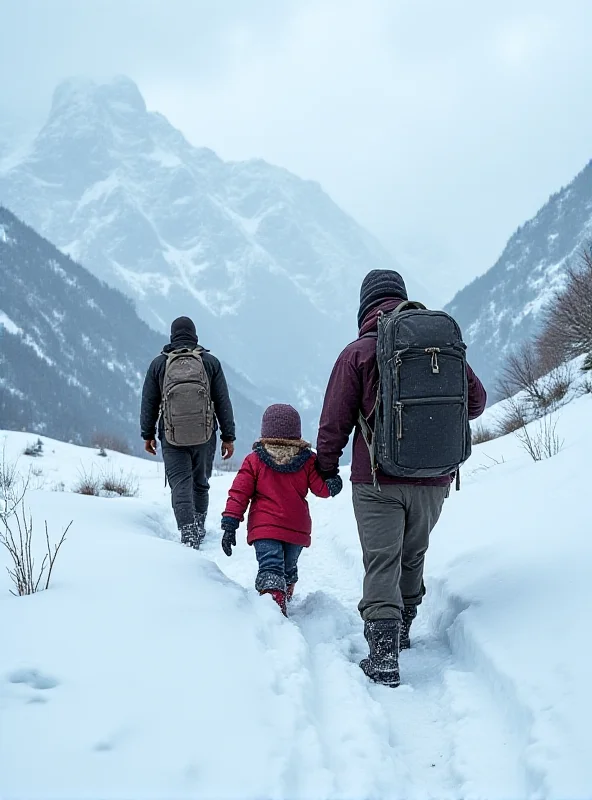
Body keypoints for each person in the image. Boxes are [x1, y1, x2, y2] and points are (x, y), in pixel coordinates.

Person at [316, 269, 486, 686]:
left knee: (382, 561)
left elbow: (334, 421)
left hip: (376, 479)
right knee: (412, 556)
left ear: (365, 306)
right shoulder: (441, 345)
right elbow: (477, 403)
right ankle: (404, 626)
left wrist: (325, 467)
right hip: (434, 478)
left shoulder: (357, 353)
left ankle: (383, 655)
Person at [220, 404, 342, 616]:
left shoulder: (255, 460)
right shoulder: (308, 460)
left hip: (264, 528)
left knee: (270, 567)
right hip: (296, 529)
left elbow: (239, 493)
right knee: (286, 565)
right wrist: (333, 484)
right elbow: (321, 489)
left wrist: (230, 522)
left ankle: (274, 608)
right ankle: (285, 587)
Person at [141, 316, 236, 548]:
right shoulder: (210, 362)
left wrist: (148, 434)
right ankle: (199, 525)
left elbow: (149, 402)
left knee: (180, 485)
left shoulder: (158, 365)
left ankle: (188, 532)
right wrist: (228, 437)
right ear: (195, 335)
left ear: (172, 336)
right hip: (205, 435)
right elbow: (223, 401)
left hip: (171, 434)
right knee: (200, 482)